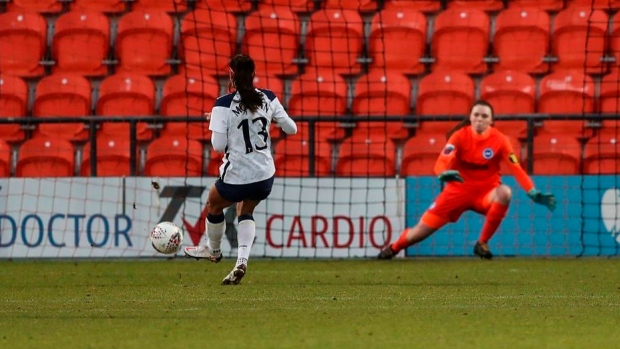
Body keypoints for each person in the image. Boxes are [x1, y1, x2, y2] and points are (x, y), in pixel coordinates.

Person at [378, 100, 556, 260]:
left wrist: (531, 191)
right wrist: (441, 173)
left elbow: (516, 168)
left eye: (484, 116)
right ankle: (393, 248)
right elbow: (443, 160)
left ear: (491, 121)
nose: (480, 119)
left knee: (505, 193)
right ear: (470, 117)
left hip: (486, 193)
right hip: (457, 191)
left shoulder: (500, 140)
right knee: (419, 232)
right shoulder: (459, 136)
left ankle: (482, 243)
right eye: (476, 115)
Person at [184, 54, 297, 284]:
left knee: (213, 204)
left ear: (231, 76)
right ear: (253, 75)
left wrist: (218, 123)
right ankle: (241, 261)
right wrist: (270, 118)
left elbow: (217, 146)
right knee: (245, 211)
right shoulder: (269, 98)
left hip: (237, 175)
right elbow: (291, 129)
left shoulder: (223, 104)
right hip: (264, 175)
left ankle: (213, 250)